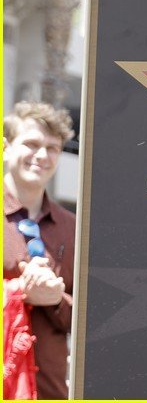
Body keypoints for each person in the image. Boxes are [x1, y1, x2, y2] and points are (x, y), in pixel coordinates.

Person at [3, 102, 77, 399]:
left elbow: (94, 318)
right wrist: (20, 291)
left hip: (51, 392)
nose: (42, 155)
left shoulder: (73, 227)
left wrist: (56, 299)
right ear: (5, 147)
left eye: (52, 148)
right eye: (32, 144)